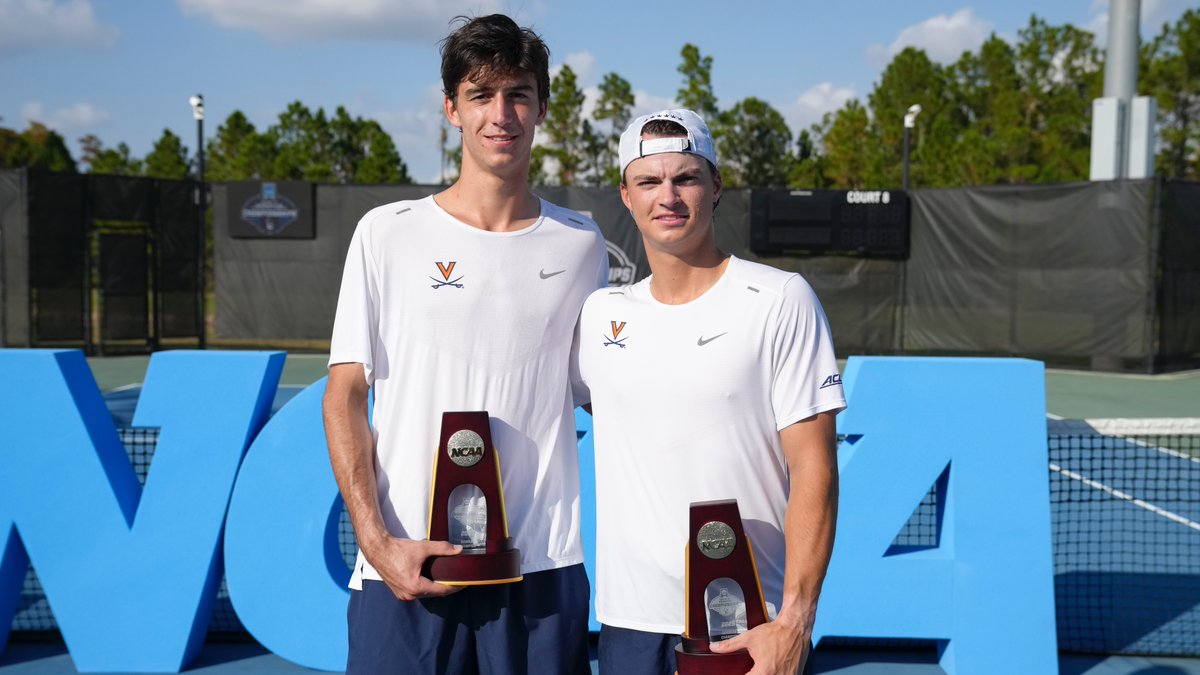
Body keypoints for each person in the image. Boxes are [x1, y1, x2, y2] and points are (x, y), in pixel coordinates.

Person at [323, 14, 607, 675]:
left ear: (542, 108)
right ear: (452, 108)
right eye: (481, 95)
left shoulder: (581, 243)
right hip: (407, 565)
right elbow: (345, 396)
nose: (501, 115)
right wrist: (376, 541)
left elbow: (600, 392)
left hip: (540, 566)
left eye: (518, 95)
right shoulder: (386, 233)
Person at [572, 109, 845, 675]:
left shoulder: (780, 300)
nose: (667, 196)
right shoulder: (599, 316)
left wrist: (795, 622)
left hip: (749, 622)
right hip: (628, 625)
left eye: (686, 178)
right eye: (649, 181)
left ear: (715, 186)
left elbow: (814, 468)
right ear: (626, 195)